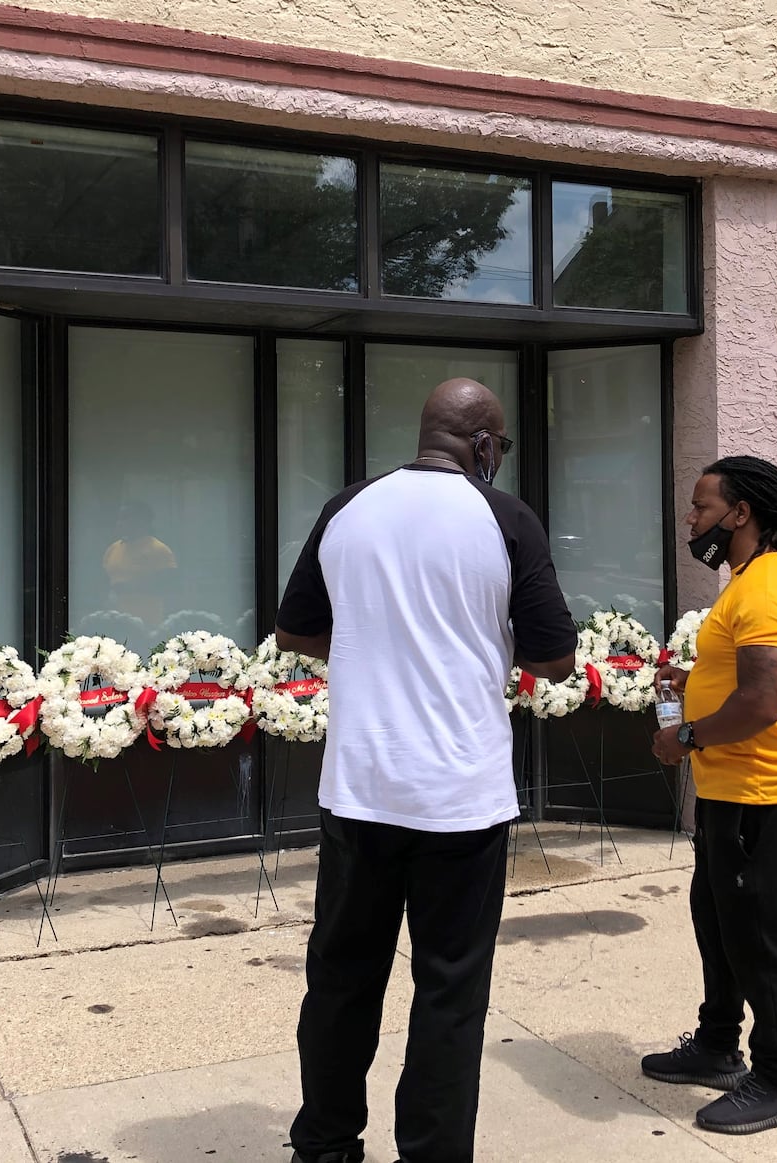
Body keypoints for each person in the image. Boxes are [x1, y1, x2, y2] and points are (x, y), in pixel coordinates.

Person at [276, 378, 577, 1163]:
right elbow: (553, 653)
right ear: (481, 444)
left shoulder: (348, 507)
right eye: (501, 447)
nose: (499, 459)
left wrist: (378, 635)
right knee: (449, 990)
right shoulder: (505, 519)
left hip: (360, 787)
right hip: (462, 799)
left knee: (341, 976)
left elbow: (296, 631)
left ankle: (326, 1143)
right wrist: (473, 641)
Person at [643, 454, 777, 1137]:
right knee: (714, 915)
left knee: (755, 931)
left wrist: (684, 735)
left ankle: (775, 1078)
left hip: (761, 790)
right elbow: (741, 673)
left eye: (701, 507)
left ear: (740, 513)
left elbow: (763, 699)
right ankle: (718, 1042)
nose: (691, 520)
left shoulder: (770, 586)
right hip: (730, 787)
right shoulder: (749, 581)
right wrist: (692, 674)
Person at [100, 500, 177, 627]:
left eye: (125, 518)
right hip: (115, 620)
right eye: (119, 518)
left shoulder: (158, 549)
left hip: (147, 622)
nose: (120, 523)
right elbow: (104, 581)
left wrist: (130, 588)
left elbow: (168, 586)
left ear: (142, 521)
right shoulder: (113, 548)